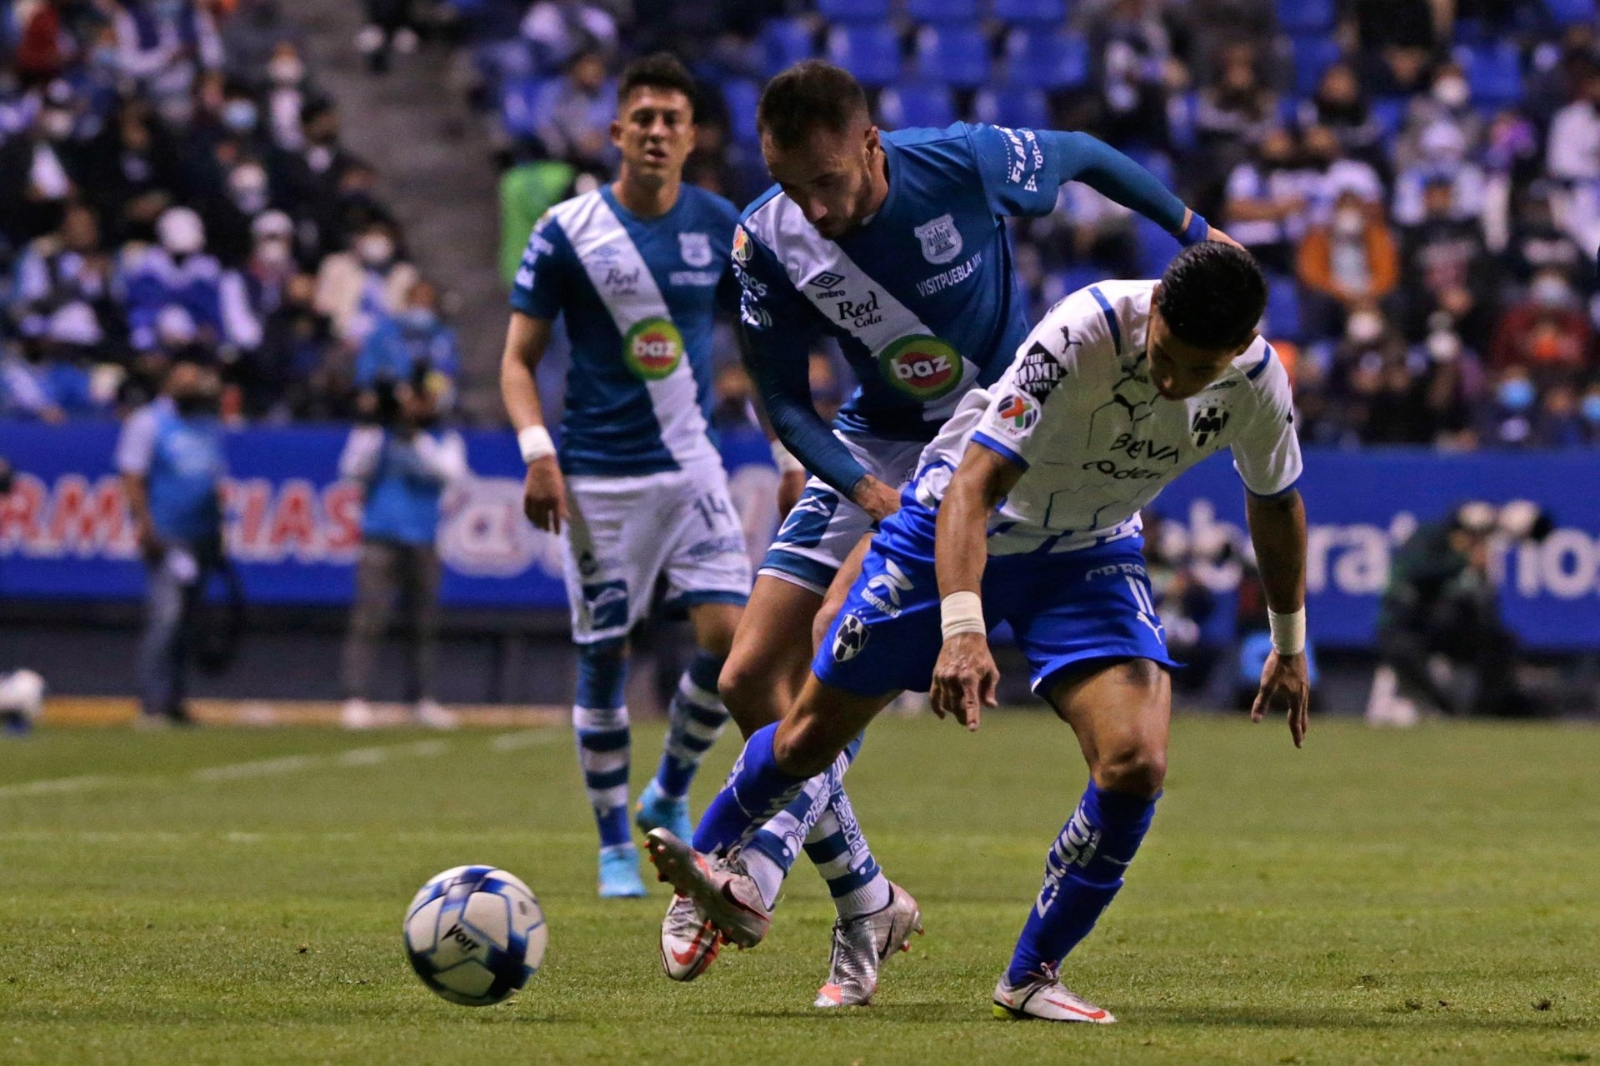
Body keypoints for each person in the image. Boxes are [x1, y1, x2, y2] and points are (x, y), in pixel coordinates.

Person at [647, 243, 1310, 1024]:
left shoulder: (1259, 383)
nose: (1172, 383)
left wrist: (1289, 643)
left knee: (1136, 762)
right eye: (1165, 356)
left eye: (1198, 371)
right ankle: (708, 858)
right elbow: (975, 482)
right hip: (961, 523)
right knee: (804, 742)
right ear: (1155, 307)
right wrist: (963, 628)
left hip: (1087, 551)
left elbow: (1274, 503)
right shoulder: (1081, 331)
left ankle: (1031, 976)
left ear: (1236, 352)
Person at [709, 59, 1232, 1008]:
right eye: (793, 187)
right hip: (874, 443)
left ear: (870, 145)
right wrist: (864, 487)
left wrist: (1192, 230)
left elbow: (1082, 154)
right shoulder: (766, 241)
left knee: (839, 632)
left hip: (997, 426)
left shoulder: (963, 163)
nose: (814, 209)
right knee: (746, 678)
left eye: (826, 183)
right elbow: (785, 401)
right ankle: (864, 894)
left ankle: (776, 855)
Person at [499, 54, 753, 900]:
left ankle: (670, 790)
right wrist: (540, 451)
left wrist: (790, 454)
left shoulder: (722, 225)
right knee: (602, 658)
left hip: (693, 470)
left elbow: (770, 342)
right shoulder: (566, 232)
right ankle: (614, 845)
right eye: (640, 117)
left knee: (730, 646)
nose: (654, 131)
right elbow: (517, 360)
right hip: (599, 481)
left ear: (692, 137)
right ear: (616, 132)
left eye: (670, 120)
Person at [338, 376, 468, 730]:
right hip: (380, 535)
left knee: (424, 623)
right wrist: (379, 432)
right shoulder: (378, 435)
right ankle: (356, 697)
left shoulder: (443, 438)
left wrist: (416, 438)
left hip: (424, 538)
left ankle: (422, 698)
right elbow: (351, 470)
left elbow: (451, 474)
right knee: (369, 620)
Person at [115, 361, 229, 727]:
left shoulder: (205, 423)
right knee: (167, 616)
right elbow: (132, 475)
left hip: (202, 533)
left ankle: (174, 699)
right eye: (189, 380)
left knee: (190, 620)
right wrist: (144, 525)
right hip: (168, 533)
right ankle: (151, 702)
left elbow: (212, 478)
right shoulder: (148, 422)